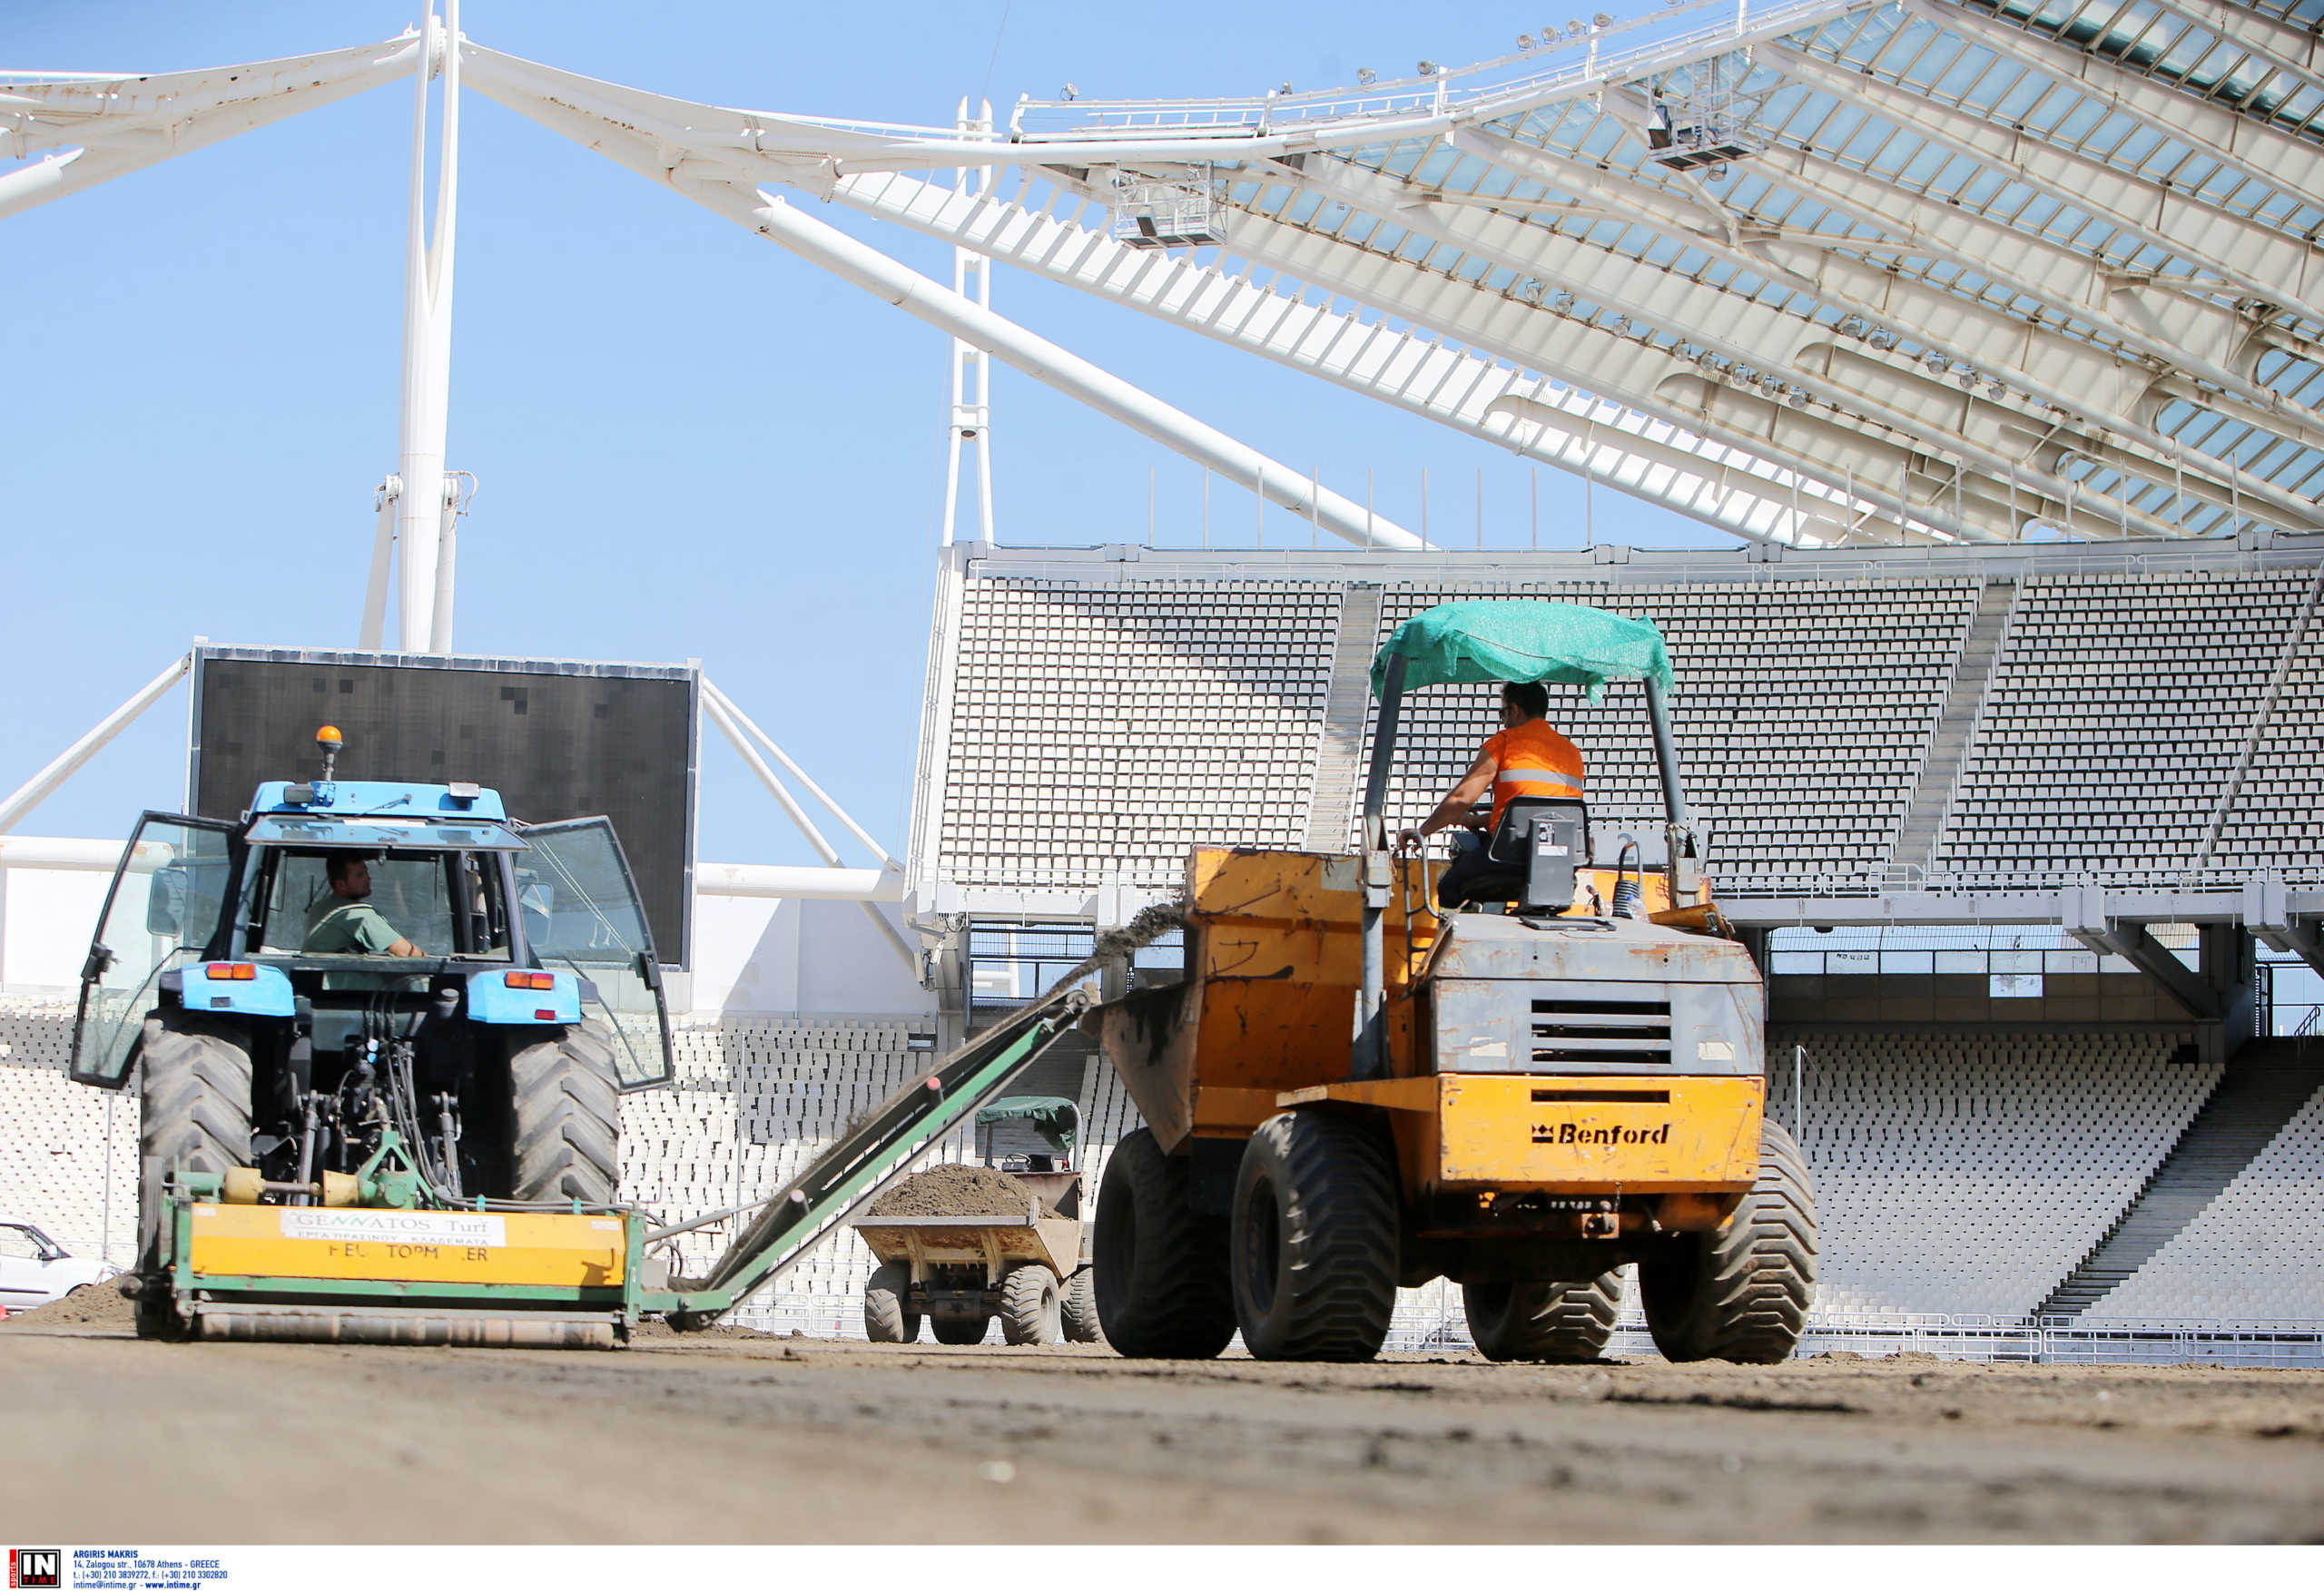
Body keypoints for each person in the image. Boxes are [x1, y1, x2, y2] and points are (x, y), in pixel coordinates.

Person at [1396, 681, 1585, 909]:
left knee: (1449, 886)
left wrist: (1421, 832)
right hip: (1560, 863)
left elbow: (1460, 800)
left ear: (1515, 710)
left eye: (1502, 712)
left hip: (1510, 858)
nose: (1503, 720)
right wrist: (1476, 821)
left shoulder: (1505, 742)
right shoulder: (1572, 753)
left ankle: (1457, 935)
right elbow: (1541, 813)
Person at [302, 855, 424, 958]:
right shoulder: (357, 914)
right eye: (360, 875)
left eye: (367, 872)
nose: (368, 878)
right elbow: (408, 953)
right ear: (341, 884)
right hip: (349, 984)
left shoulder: (318, 908)